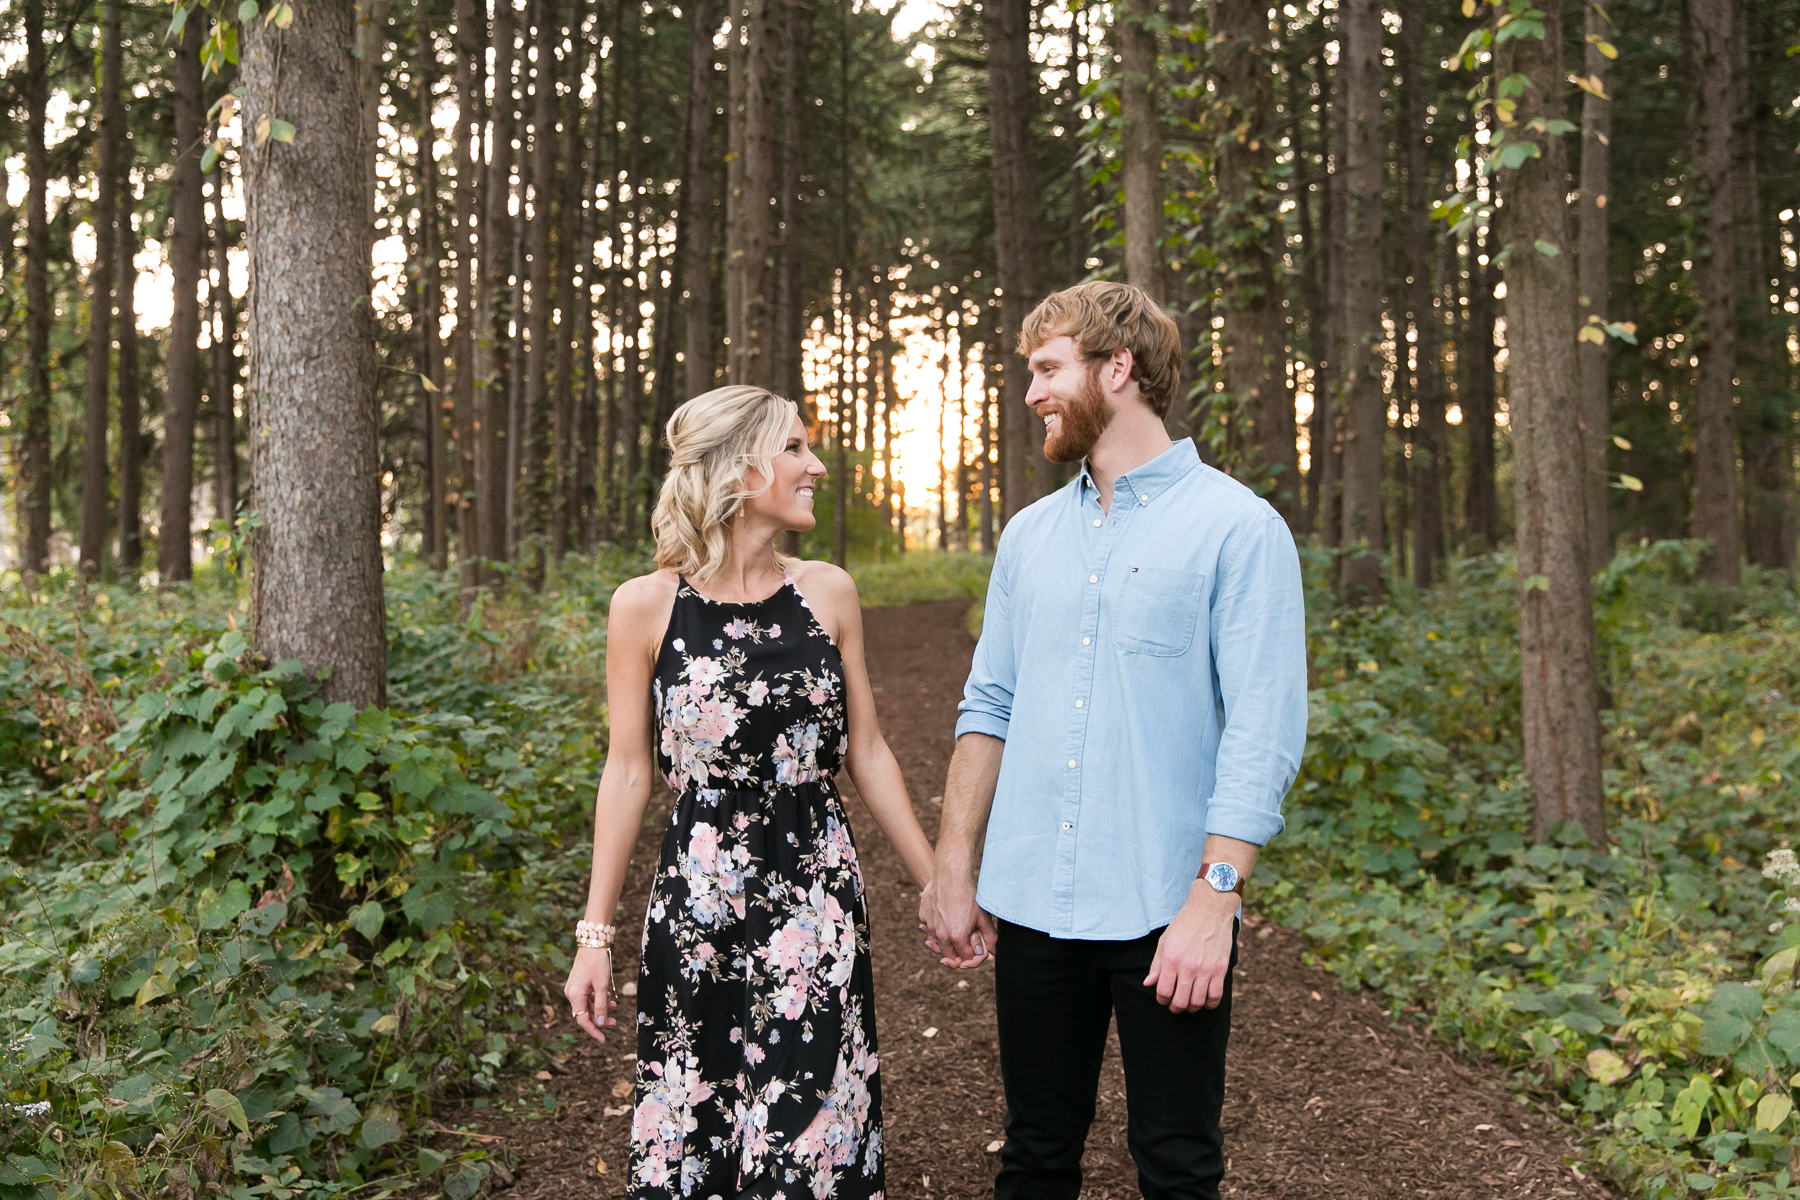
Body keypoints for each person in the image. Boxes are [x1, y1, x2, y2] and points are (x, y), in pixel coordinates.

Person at [918, 282, 1308, 1200]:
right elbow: (990, 705)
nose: (1032, 393)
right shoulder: (1027, 537)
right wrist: (954, 863)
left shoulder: (1238, 528)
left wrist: (1214, 904)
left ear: (1119, 369)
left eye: (1049, 370)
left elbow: (1263, 728)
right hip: (1034, 905)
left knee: (1177, 1164)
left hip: (1165, 910)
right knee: (1035, 1155)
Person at [564, 385, 935, 1200]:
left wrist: (936, 884)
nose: (816, 465)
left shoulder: (828, 592)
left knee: (813, 1131)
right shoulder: (645, 606)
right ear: (738, 467)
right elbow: (628, 770)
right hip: (700, 901)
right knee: (698, 1122)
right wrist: (596, 935)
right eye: (796, 448)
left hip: (816, 894)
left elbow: (866, 751)